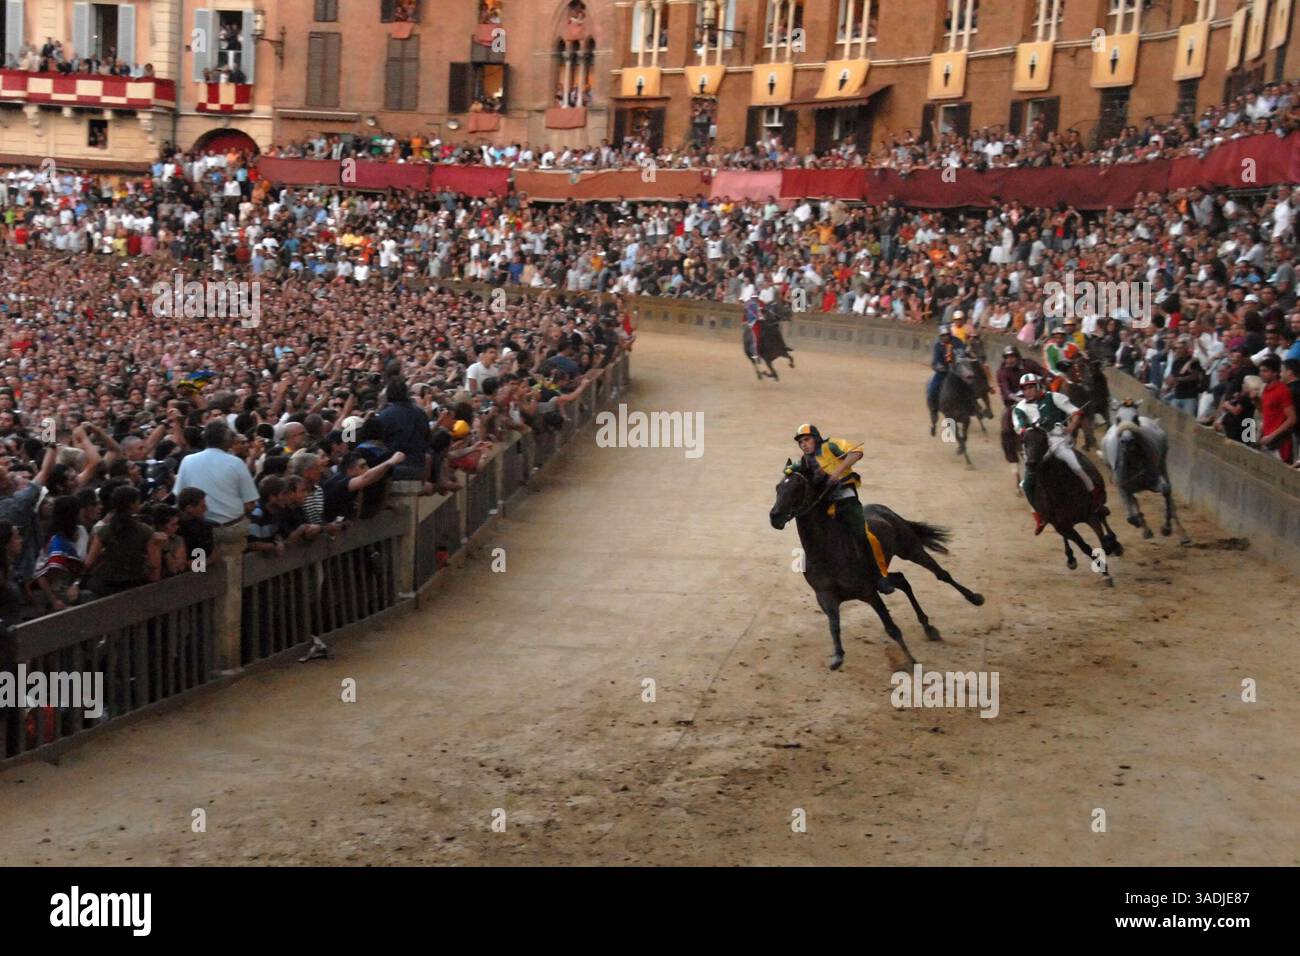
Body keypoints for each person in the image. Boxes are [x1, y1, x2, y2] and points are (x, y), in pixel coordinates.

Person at [792, 423, 893, 595]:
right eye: (800, 442)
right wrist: (790, 470)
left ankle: (879, 576)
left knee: (861, 533)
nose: (804, 444)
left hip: (845, 498)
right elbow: (798, 473)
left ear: (815, 438)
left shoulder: (831, 445)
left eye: (807, 439)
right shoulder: (805, 460)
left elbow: (856, 453)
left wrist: (836, 473)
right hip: (825, 503)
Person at [1012, 373, 1099, 535]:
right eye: (1025, 389)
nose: (1028, 391)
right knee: (1026, 484)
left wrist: (1071, 428)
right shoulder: (1019, 408)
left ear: (1038, 386)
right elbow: (1020, 428)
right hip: (1037, 447)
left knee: (1076, 465)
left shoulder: (1054, 397)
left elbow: (1076, 412)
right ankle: (1039, 516)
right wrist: (1034, 428)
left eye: (1031, 387)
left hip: (1057, 440)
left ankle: (1094, 496)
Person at [927, 324, 965, 424]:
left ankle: (975, 406)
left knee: (969, 383)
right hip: (943, 372)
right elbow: (935, 360)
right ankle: (933, 410)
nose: (945, 337)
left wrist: (958, 363)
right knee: (932, 388)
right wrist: (939, 366)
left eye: (947, 335)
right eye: (943, 336)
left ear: (950, 334)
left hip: (957, 371)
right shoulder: (938, 346)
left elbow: (962, 354)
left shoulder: (958, 342)